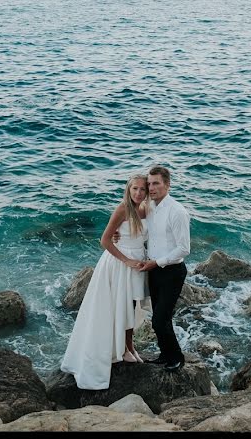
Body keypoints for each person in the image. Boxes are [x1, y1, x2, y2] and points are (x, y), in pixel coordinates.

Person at [60, 175, 152, 390]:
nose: (138, 193)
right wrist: (126, 259)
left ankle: (129, 347)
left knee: (131, 305)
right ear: (128, 190)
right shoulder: (123, 208)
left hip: (138, 262)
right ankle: (119, 350)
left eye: (142, 190)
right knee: (116, 306)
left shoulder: (147, 209)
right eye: (135, 189)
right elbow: (104, 239)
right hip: (119, 264)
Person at [135, 165, 191, 372]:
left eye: (156, 183)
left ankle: (177, 357)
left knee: (160, 318)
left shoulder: (177, 211)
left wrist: (156, 263)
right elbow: (130, 219)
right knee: (159, 317)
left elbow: (184, 249)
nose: (151, 188)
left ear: (167, 185)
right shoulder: (150, 208)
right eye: (149, 184)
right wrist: (117, 235)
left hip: (172, 271)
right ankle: (164, 354)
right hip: (154, 269)